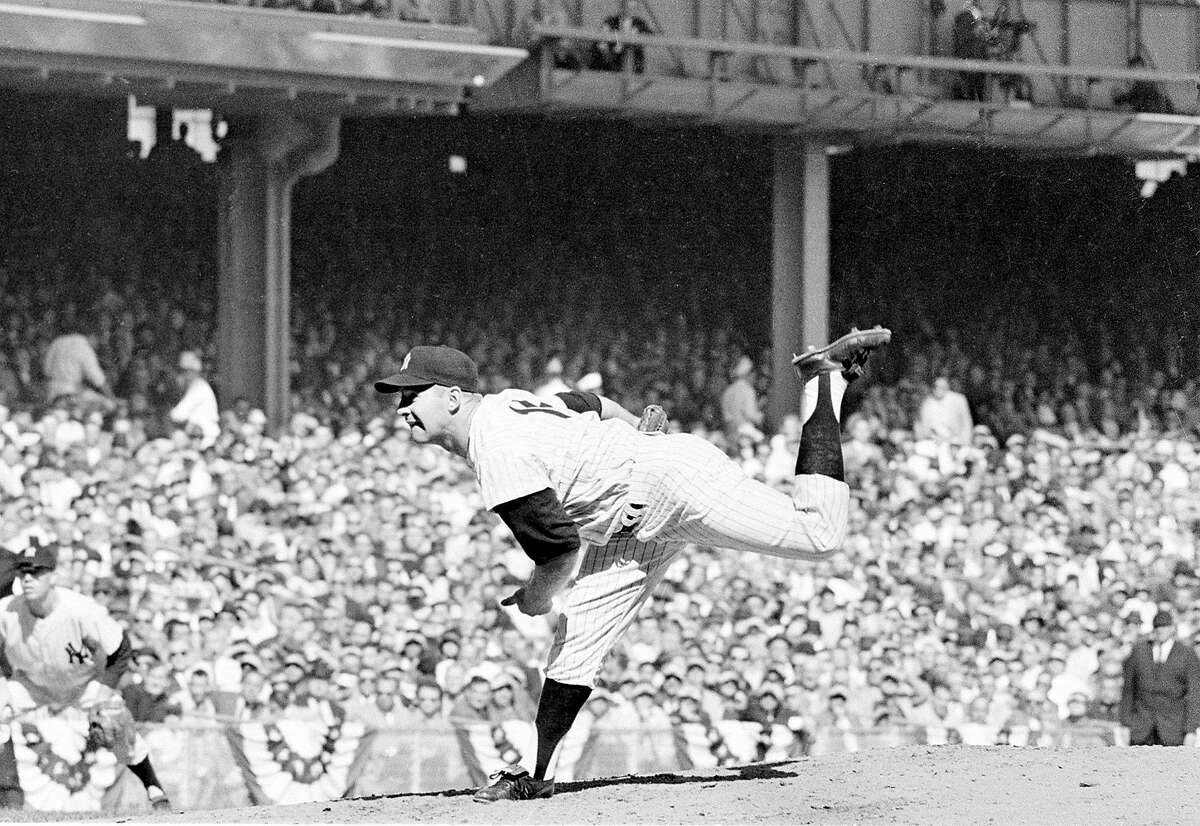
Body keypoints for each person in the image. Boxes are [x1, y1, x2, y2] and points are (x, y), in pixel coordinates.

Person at [372, 326, 890, 802]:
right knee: (571, 650)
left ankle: (822, 384)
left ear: (454, 397)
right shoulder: (509, 403)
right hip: (628, 526)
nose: (401, 407)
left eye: (412, 394)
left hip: (667, 485)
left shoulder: (495, 448)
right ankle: (536, 776)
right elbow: (587, 402)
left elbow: (557, 552)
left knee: (819, 534)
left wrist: (536, 597)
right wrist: (632, 421)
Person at [0, 543, 172, 810]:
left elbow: (122, 647)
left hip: (81, 684)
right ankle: (9, 799)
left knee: (113, 716)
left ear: (54, 576)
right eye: (24, 572)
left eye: (37, 572)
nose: (28, 579)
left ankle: (154, 787)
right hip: (31, 684)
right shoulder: (7, 610)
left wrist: (105, 690)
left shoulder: (81, 610)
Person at [1119, 609, 1200, 746]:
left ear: (1172, 628)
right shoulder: (1140, 651)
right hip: (1141, 728)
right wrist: (1125, 724)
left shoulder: (1186, 654)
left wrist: (1191, 730)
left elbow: (1194, 694)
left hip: (1173, 729)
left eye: (1164, 626)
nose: (1160, 630)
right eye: (1157, 626)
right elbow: (1128, 690)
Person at [41, 325, 114, 411]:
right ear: (93, 337)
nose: (97, 346)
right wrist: (112, 397)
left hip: (51, 393)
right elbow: (98, 379)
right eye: (97, 342)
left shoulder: (57, 341)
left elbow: (46, 369)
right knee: (109, 405)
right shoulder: (85, 347)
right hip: (70, 394)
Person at [169, 351, 220, 447]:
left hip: (204, 438)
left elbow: (177, 415)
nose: (183, 375)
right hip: (195, 437)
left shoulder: (199, 387)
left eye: (185, 371)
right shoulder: (193, 387)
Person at [720, 355, 764, 449]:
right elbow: (751, 415)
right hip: (743, 431)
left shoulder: (728, 390)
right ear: (749, 374)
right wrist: (760, 415)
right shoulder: (748, 390)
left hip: (728, 432)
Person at [915, 376, 974, 444]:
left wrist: (966, 442)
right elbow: (922, 425)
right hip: (933, 441)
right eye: (936, 386)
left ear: (947, 387)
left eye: (942, 387)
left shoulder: (958, 399)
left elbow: (966, 423)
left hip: (955, 441)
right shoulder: (927, 402)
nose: (938, 389)